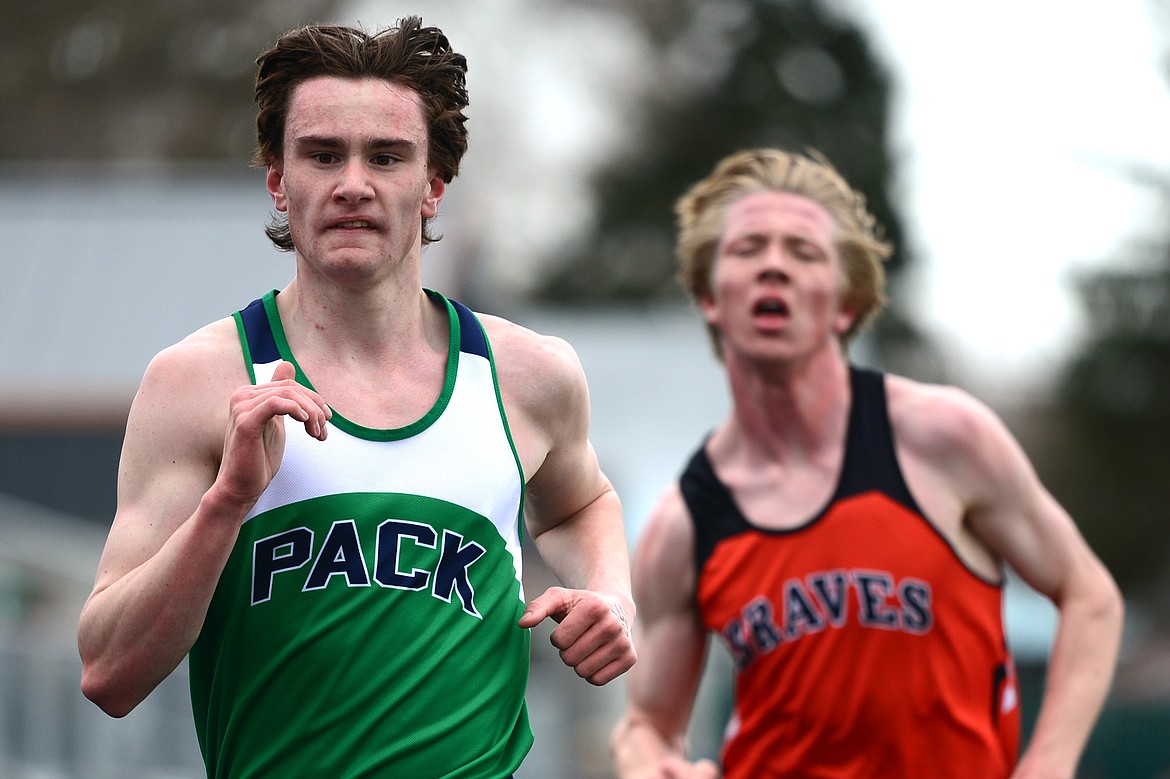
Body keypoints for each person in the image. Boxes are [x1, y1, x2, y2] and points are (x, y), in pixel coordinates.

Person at [77, 18, 636, 778]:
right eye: (321, 154)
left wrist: (612, 594)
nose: (352, 183)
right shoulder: (199, 381)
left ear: (433, 185)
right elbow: (109, 672)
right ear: (279, 180)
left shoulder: (524, 375)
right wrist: (228, 501)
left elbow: (580, 502)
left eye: (386, 156)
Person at [610, 148, 1124, 779]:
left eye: (803, 252)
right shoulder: (684, 524)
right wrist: (652, 767)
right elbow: (646, 727)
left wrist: (1049, 764)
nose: (774, 266)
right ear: (710, 297)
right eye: (747, 250)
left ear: (845, 305)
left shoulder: (942, 439)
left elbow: (1090, 597)